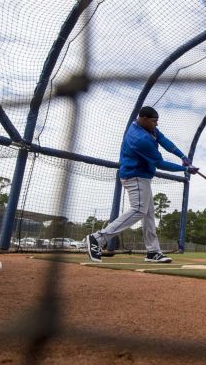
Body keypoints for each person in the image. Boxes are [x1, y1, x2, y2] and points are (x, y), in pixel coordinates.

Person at [85, 106, 198, 263]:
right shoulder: (140, 139)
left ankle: (153, 252)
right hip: (134, 176)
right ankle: (98, 238)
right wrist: (184, 168)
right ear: (143, 119)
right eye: (153, 121)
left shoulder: (147, 128)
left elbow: (164, 140)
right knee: (139, 210)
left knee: (149, 214)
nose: (156, 125)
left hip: (142, 177)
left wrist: (182, 156)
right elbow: (160, 163)